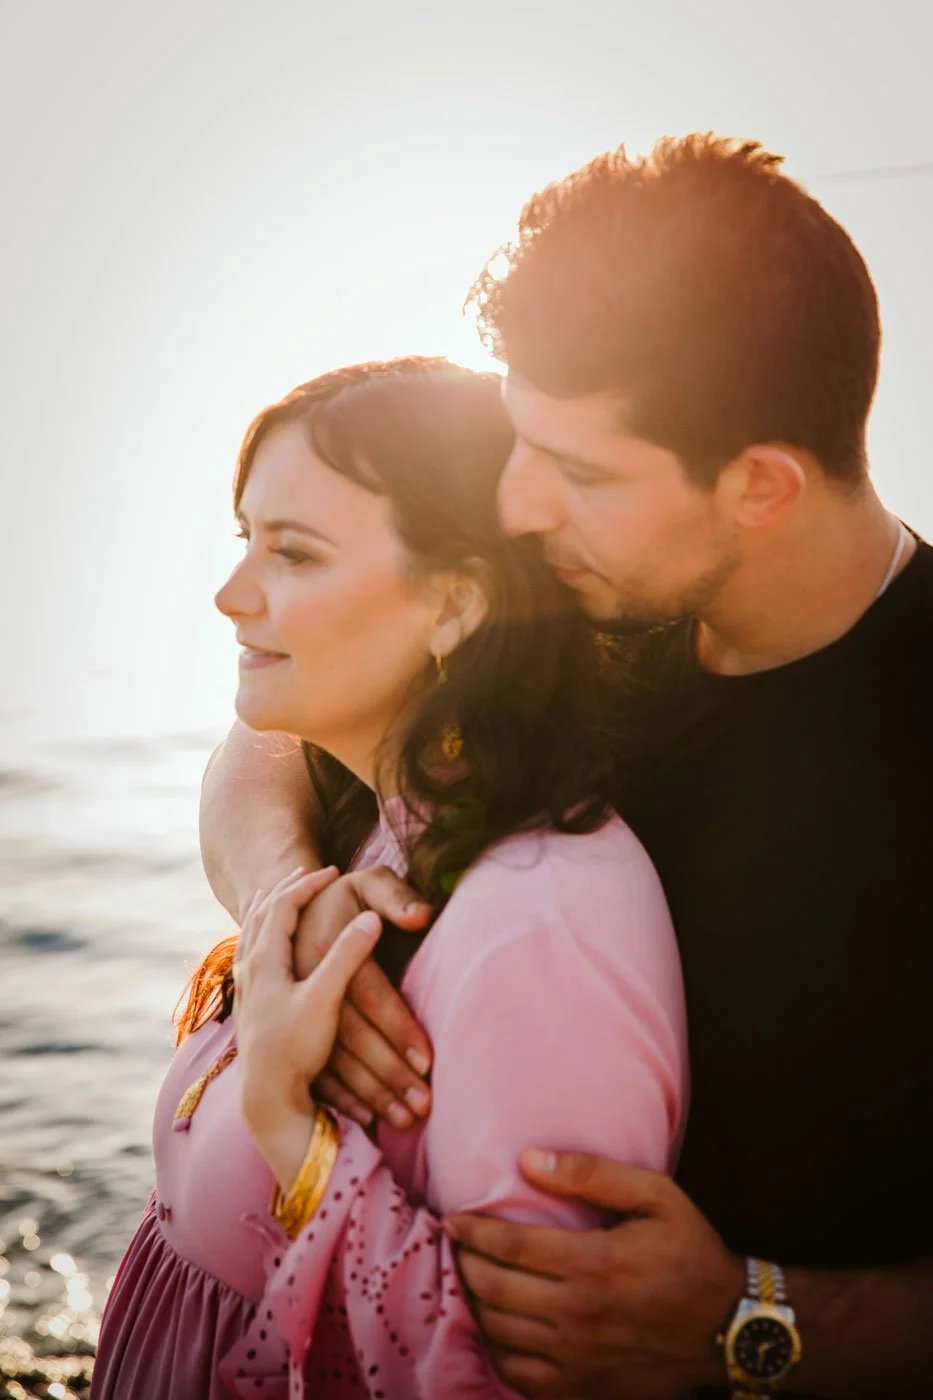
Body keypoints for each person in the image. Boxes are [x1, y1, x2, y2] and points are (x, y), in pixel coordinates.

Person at [200, 136, 933, 1399]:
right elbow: (263, 735)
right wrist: (294, 894)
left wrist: (761, 1322)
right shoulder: (577, 600)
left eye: (580, 471)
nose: (521, 505)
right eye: (523, 436)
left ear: (762, 484)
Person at [91, 357, 687, 1399]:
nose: (231, 593)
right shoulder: (373, 828)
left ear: (456, 603)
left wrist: (289, 1123)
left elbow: (506, 1377)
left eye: (294, 552)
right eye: (246, 538)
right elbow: (243, 763)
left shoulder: (538, 918)